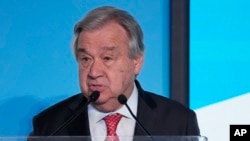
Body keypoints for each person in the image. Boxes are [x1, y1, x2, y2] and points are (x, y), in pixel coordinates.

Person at [29, 6, 200, 139]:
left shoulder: (178, 122)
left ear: (136, 62)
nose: (94, 72)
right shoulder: (50, 126)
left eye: (107, 58)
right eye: (86, 59)